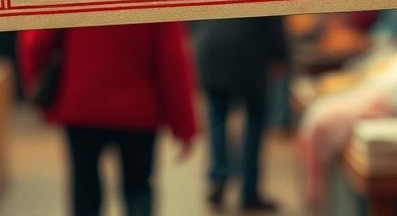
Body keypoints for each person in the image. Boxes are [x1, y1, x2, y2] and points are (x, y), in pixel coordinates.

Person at [19, 23, 198, 216]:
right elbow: (171, 58)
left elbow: (35, 42)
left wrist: (36, 84)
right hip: (138, 109)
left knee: (84, 186)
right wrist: (184, 124)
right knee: (138, 188)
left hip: (82, 104)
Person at [193, 17, 288, 212]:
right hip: (248, 49)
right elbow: (273, 13)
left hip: (210, 45)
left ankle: (219, 176)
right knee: (255, 118)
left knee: (217, 116)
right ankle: (249, 191)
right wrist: (281, 55)